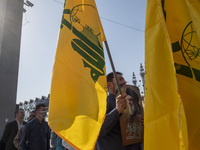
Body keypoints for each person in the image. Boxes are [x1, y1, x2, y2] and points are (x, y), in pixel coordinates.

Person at [97, 72, 143, 150]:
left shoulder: (131, 103)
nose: (124, 82)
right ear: (110, 85)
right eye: (120, 79)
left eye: (124, 79)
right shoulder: (103, 103)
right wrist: (116, 111)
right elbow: (98, 131)